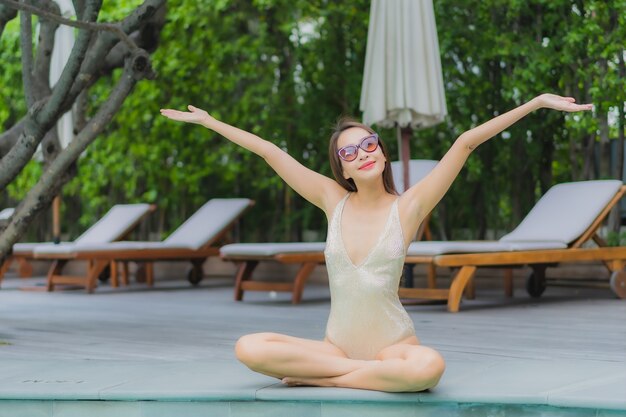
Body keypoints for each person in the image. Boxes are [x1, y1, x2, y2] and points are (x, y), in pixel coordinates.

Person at [160, 94, 592, 392]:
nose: (363, 152)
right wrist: (211, 122)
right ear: (343, 169)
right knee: (248, 347)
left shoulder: (409, 208)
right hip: (335, 347)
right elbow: (271, 152)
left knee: (429, 367)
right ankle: (362, 374)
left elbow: (466, 143)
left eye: (370, 144)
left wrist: (536, 104)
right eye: (350, 152)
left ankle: (321, 380)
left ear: (382, 153)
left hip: (394, 347)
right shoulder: (333, 201)